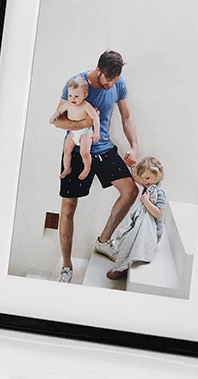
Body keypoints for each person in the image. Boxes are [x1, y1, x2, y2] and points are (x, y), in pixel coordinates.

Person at [49, 50, 139, 283]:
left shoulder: (119, 84)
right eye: (107, 80)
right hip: (77, 149)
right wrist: (89, 121)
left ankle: (103, 241)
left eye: (115, 81)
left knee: (131, 191)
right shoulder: (76, 83)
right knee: (68, 207)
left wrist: (134, 146)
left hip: (104, 148)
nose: (111, 85)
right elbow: (59, 121)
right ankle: (67, 267)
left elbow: (127, 117)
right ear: (97, 70)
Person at [102, 157, 168, 281]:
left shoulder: (159, 192)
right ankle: (122, 259)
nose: (144, 181)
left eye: (147, 178)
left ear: (157, 175)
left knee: (131, 240)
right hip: (141, 224)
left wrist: (146, 201)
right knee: (127, 235)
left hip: (151, 232)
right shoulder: (149, 186)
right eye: (143, 178)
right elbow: (137, 179)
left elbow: (159, 214)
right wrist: (133, 167)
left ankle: (122, 268)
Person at [56, 76, 100, 182]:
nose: (73, 99)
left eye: (76, 96)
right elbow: (59, 111)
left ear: (85, 95)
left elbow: (95, 118)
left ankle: (87, 168)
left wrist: (97, 133)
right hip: (73, 132)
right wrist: (54, 116)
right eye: (70, 95)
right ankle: (67, 168)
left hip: (85, 132)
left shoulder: (86, 106)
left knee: (84, 153)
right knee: (67, 150)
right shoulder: (68, 104)